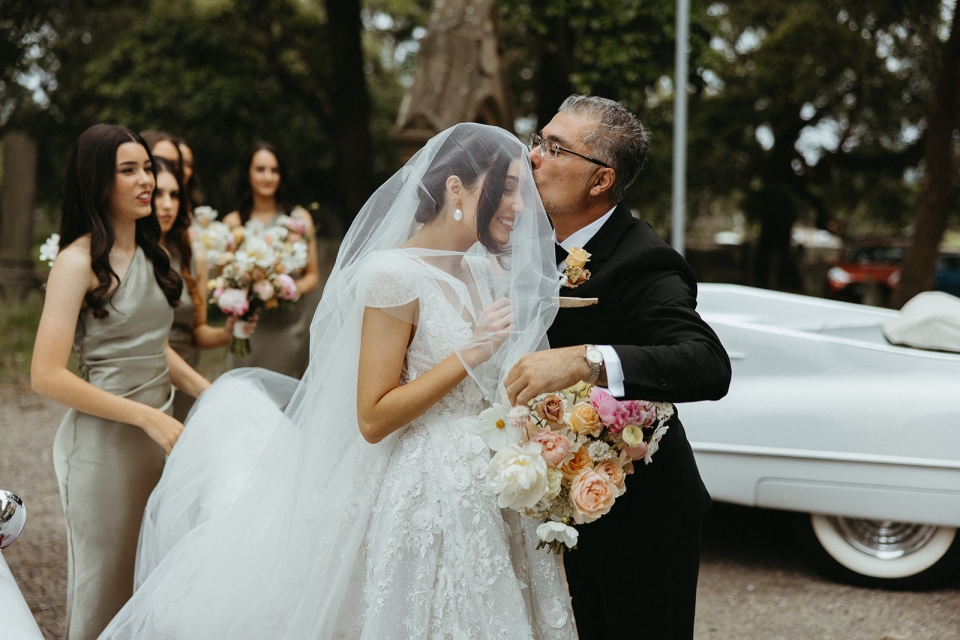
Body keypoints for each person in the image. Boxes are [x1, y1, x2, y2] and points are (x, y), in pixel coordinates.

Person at [99, 123, 576, 639]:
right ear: (455, 187)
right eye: (505, 188)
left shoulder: (484, 272)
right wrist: (468, 353)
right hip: (423, 495)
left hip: (492, 489)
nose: (520, 205)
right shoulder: (393, 275)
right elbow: (372, 417)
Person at [505, 95, 732, 640]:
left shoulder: (641, 259)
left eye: (555, 148)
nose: (534, 156)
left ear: (600, 180)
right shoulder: (532, 244)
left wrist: (585, 360)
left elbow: (707, 363)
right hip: (577, 506)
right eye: (539, 140)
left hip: (646, 523)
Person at [30, 124, 211, 640]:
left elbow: (155, 347)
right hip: (104, 451)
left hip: (162, 439)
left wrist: (208, 392)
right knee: (105, 588)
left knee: (157, 581)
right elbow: (44, 375)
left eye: (147, 168)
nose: (146, 180)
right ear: (97, 182)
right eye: (128, 170)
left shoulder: (159, 257)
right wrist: (146, 415)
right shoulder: (76, 262)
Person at [153, 156, 255, 421]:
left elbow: (197, 331)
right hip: (147, 382)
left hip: (187, 378)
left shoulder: (192, 257)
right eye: (157, 194)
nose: (167, 205)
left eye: (175, 195)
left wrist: (227, 332)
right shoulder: (134, 256)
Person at [222, 142, 321, 378]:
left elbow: (313, 276)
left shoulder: (298, 220)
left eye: (274, 170)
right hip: (250, 325)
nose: (268, 176)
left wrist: (285, 288)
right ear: (248, 173)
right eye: (260, 169)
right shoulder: (232, 223)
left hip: (288, 327)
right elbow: (225, 281)